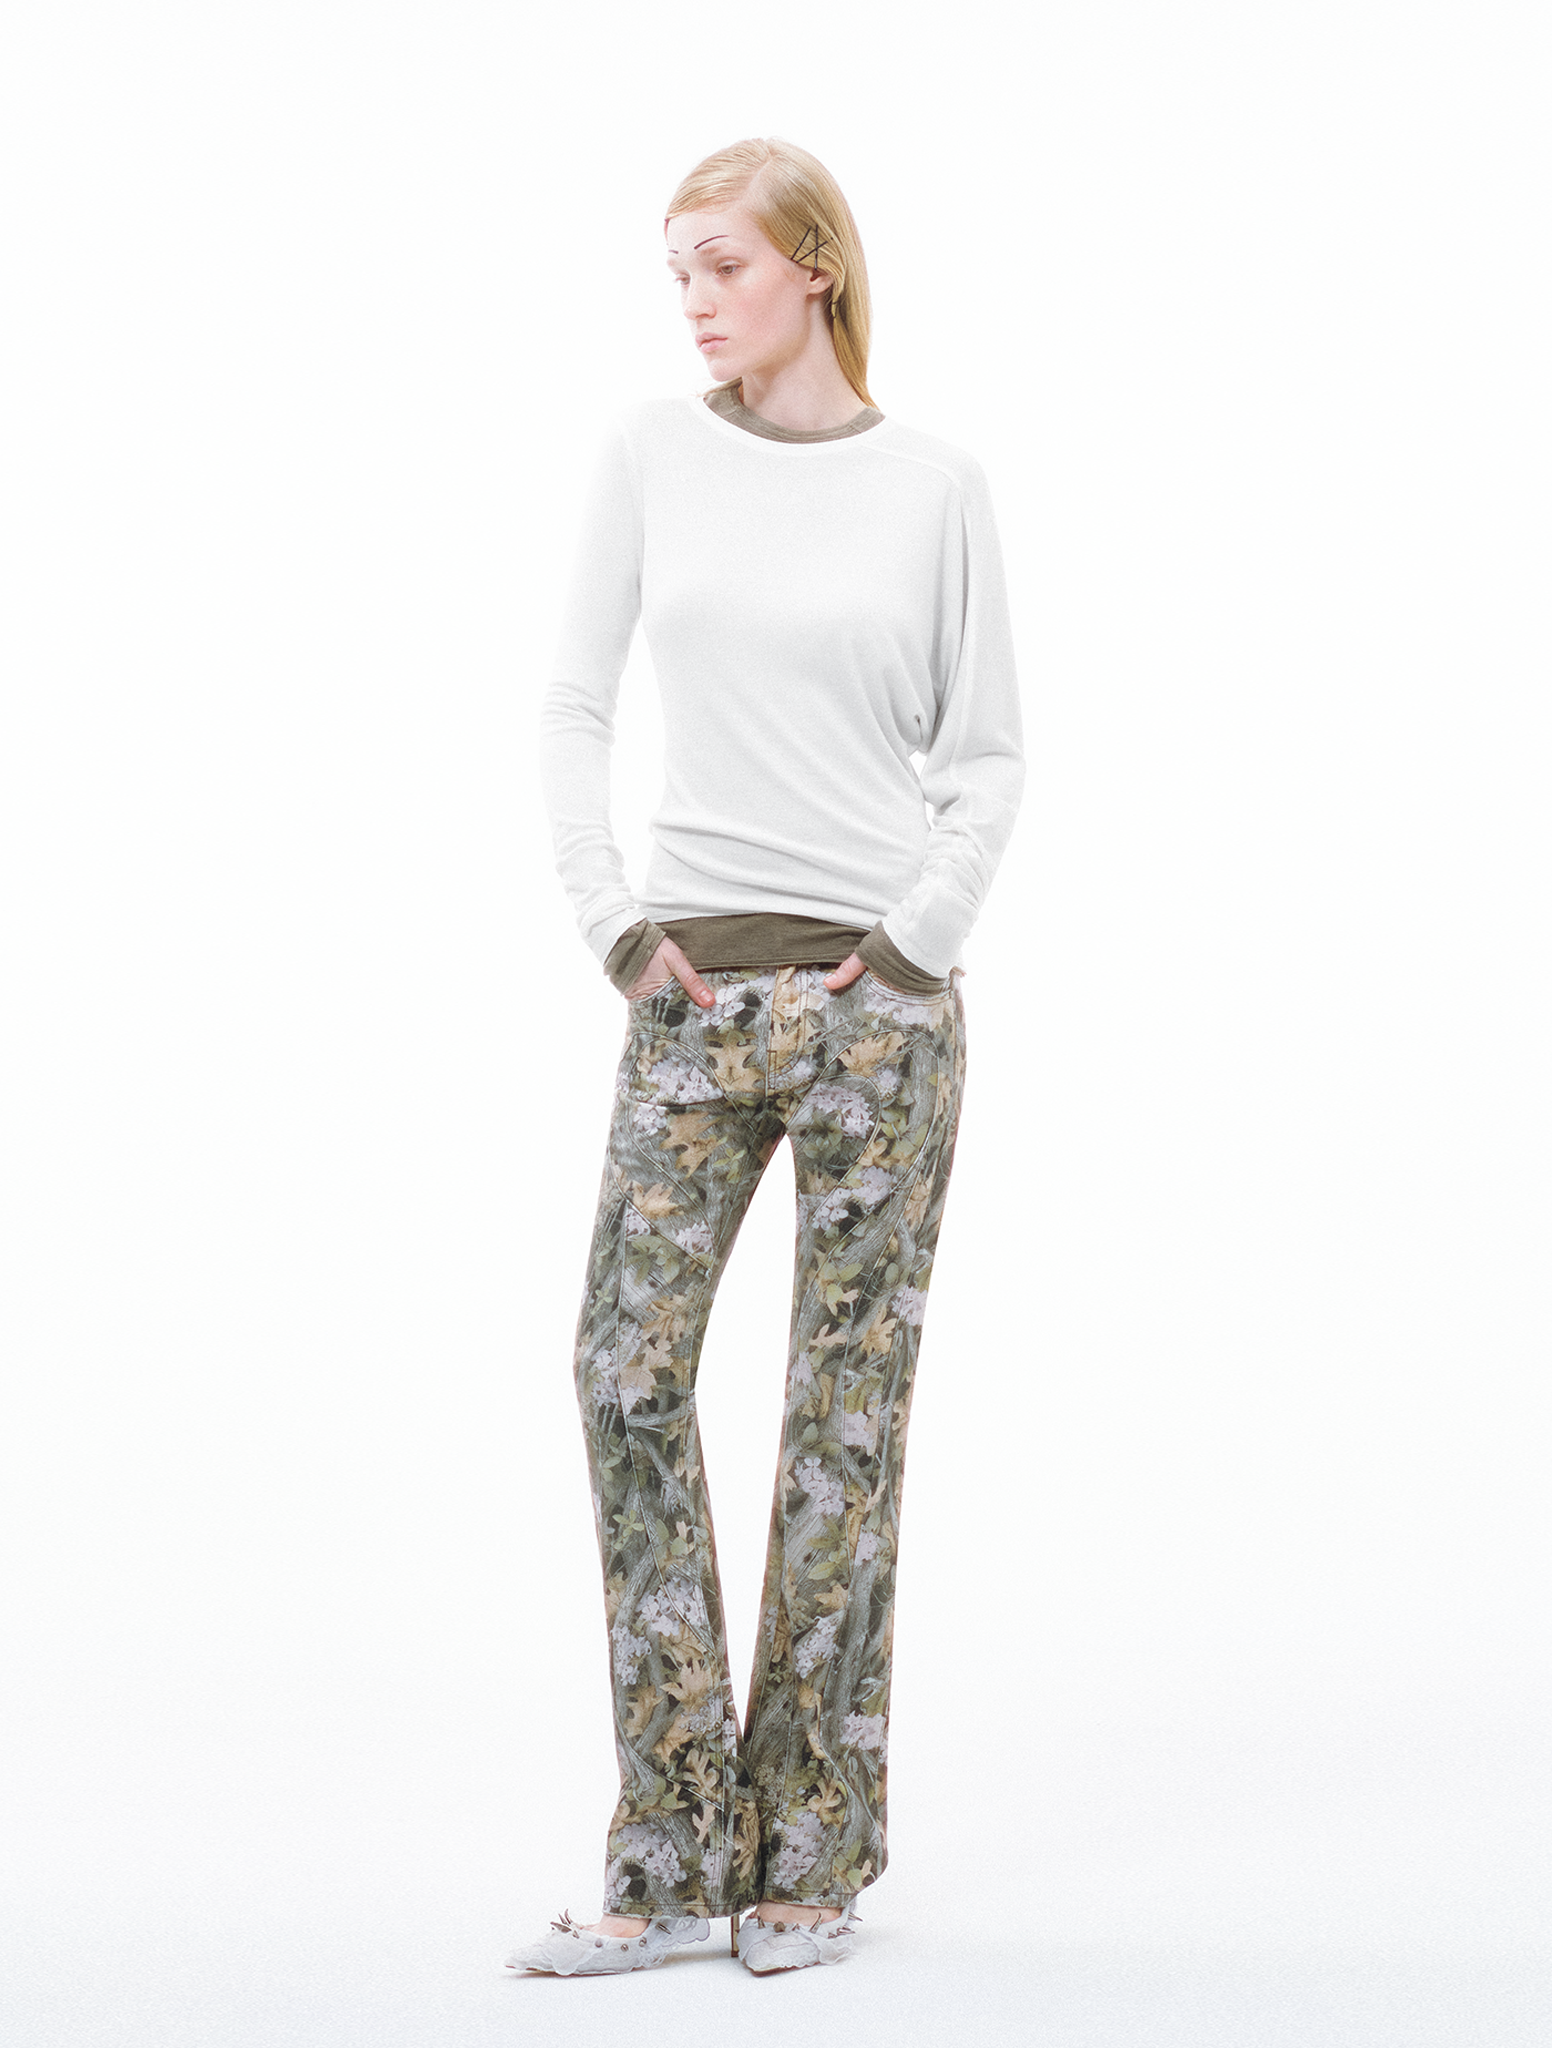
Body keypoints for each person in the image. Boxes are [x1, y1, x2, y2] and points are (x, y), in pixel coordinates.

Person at [506, 136, 1026, 1980]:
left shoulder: (933, 488)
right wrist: (612, 926)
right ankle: (669, 1850)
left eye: (722, 263)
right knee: (623, 1374)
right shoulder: (653, 456)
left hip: (878, 1013)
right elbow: (572, 703)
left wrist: (913, 948)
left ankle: (809, 1849)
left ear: (814, 263)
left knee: (840, 1423)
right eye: (677, 273)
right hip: (691, 1003)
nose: (697, 301)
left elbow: (987, 757)